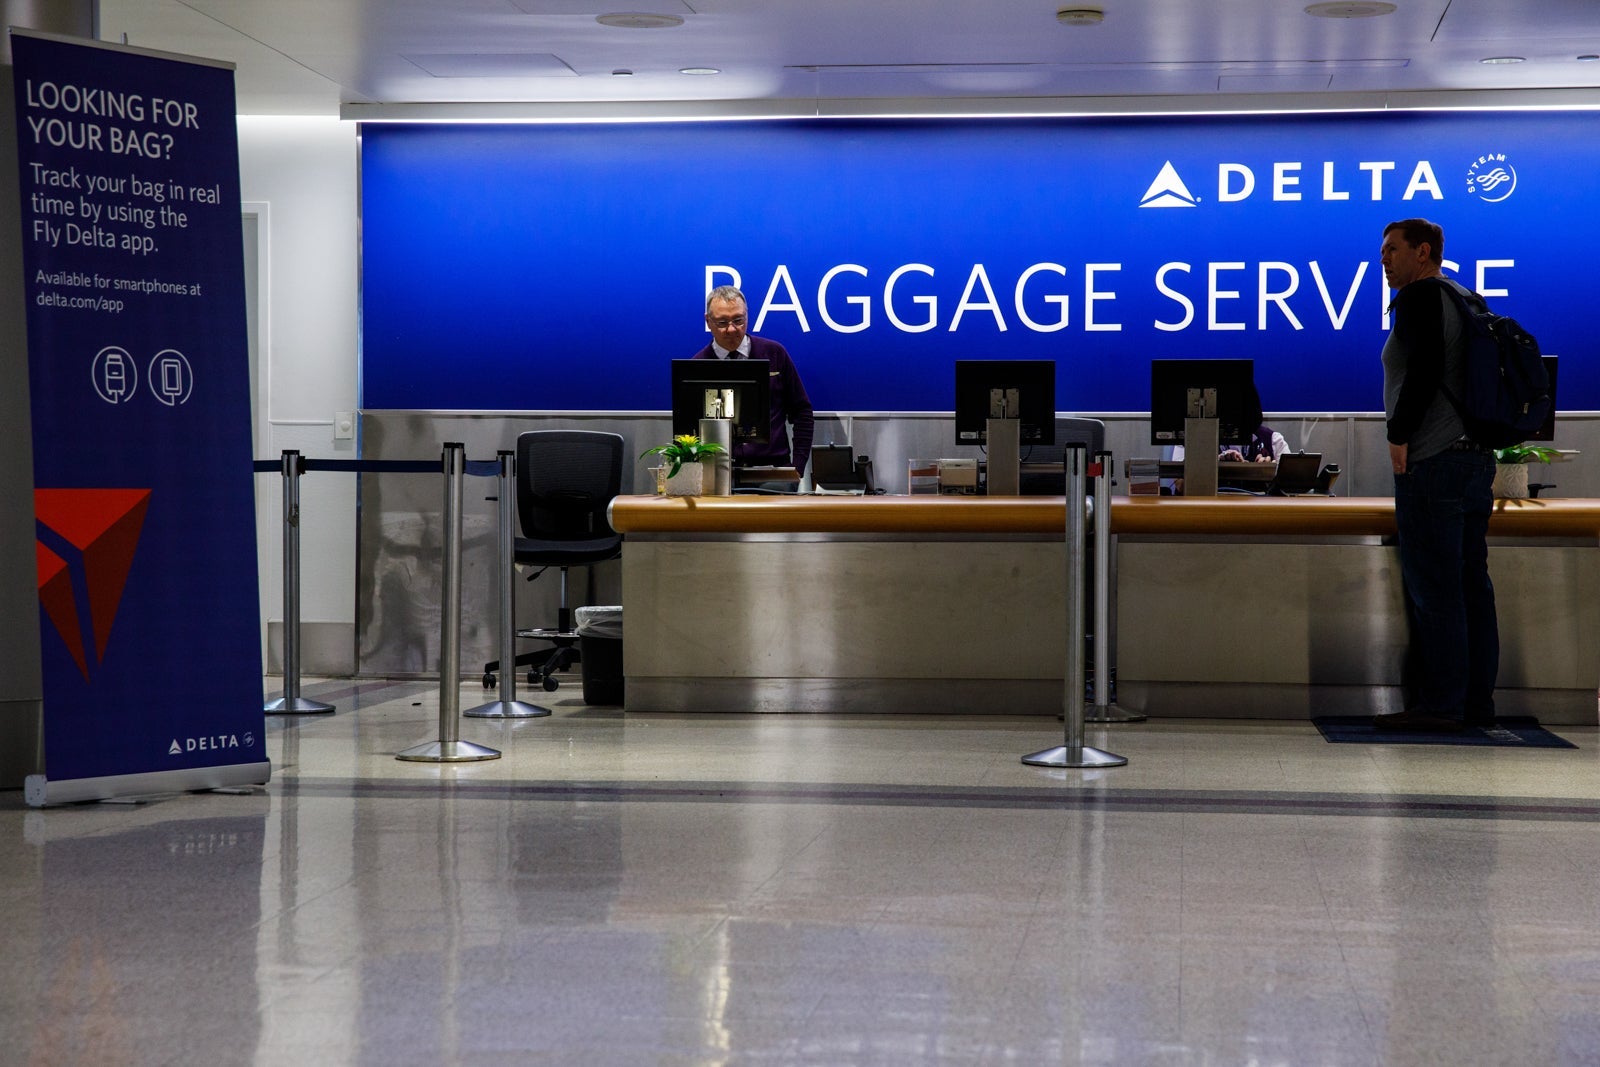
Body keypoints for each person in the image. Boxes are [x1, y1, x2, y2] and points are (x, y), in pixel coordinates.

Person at [1374, 217, 1498, 732]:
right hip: (1475, 461)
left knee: (1435, 588)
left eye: (1392, 250)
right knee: (1472, 584)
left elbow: (1422, 373)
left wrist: (1399, 436)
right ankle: (1475, 704)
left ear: (1422, 252)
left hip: (1434, 461)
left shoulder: (1422, 298)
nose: (1384, 259)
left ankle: (1441, 705)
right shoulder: (1469, 298)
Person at [691, 285, 815, 484]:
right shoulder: (697, 366)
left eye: (738, 320)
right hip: (717, 477)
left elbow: (802, 413)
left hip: (774, 474)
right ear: (708, 321)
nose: (731, 329)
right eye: (722, 322)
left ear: (747, 317)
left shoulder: (774, 354)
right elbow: (689, 430)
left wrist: (797, 468)